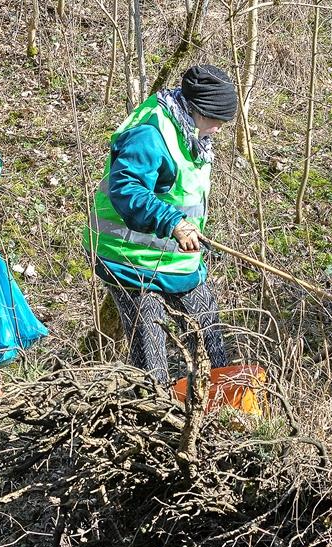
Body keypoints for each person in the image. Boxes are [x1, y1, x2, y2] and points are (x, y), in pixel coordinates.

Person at [83, 64, 237, 386]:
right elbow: (125, 187)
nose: (219, 129)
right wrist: (173, 223)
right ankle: (150, 422)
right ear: (198, 109)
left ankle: (218, 413)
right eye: (217, 121)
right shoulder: (151, 133)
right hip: (128, 260)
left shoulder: (192, 132)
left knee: (211, 342)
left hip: (177, 262)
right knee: (151, 361)